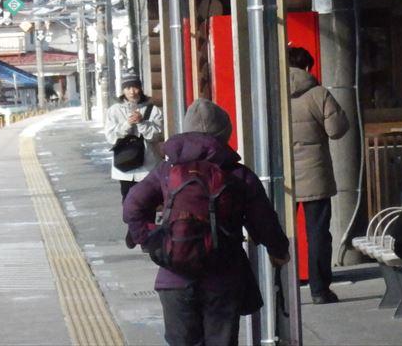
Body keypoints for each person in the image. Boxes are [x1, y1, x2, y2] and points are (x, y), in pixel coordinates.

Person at [123, 99, 290, 346]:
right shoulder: (238, 174)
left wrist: (152, 240)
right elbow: (264, 221)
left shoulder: (167, 171)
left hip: (174, 278)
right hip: (223, 277)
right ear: (224, 134)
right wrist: (279, 251)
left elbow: (132, 205)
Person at [288, 46, 349, 304]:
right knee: (317, 234)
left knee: (280, 233)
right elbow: (336, 129)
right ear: (307, 67)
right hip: (315, 173)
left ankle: (280, 287)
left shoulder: (274, 92)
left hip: (284, 177)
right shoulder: (319, 94)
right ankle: (320, 290)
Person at [104, 69, 164, 203]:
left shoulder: (152, 109)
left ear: (140, 88)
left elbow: (156, 135)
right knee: (129, 205)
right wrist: (127, 124)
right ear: (123, 90)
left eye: (135, 87)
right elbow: (111, 137)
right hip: (124, 167)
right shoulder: (114, 110)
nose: (132, 91)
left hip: (148, 167)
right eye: (128, 88)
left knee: (149, 203)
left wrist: (142, 122)